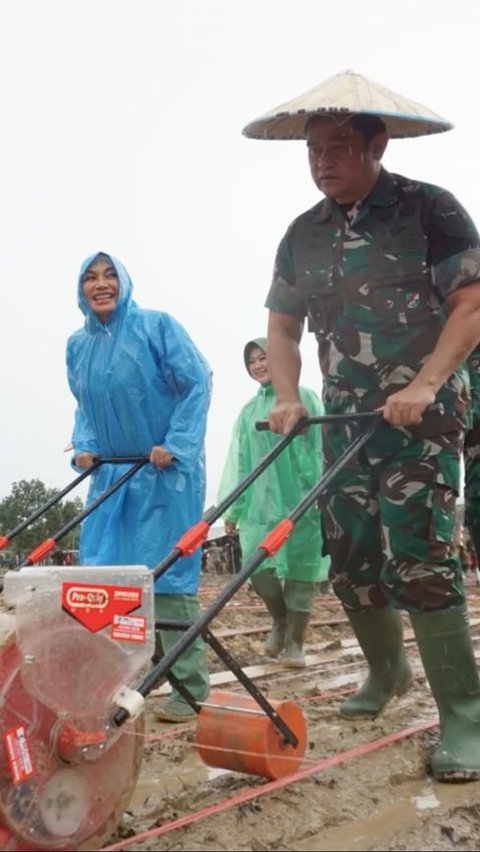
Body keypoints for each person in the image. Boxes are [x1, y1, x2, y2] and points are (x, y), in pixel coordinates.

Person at [243, 72, 480, 780]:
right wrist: (286, 396)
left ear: (378, 144)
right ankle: (387, 674)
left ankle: (465, 718)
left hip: (422, 418)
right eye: (314, 148)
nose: (323, 159)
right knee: (349, 555)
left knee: (424, 558)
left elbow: (470, 306)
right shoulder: (303, 235)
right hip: (345, 421)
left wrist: (428, 382)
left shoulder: (430, 211)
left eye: (340, 145)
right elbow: (282, 329)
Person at [66, 252, 212, 723]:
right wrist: (86, 446)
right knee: (107, 577)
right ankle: (118, 678)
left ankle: (190, 688)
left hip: (163, 472)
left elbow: (196, 383)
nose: (101, 284)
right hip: (112, 473)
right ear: (80, 288)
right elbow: (84, 405)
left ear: (125, 282)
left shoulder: (156, 326)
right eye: (90, 277)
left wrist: (177, 443)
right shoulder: (77, 345)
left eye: (110, 275)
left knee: (166, 577)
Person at [218, 337, 329, 667]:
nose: (259, 365)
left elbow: (321, 447)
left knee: (300, 571)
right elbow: (240, 460)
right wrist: (235, 507)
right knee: (260, 570)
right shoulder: (247, 412)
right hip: (260, 506)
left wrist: (320, 490)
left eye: (264, 357)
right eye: (252, 361)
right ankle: (279, 620)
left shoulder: (304, 398)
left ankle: (295, 642)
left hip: (302, 501)